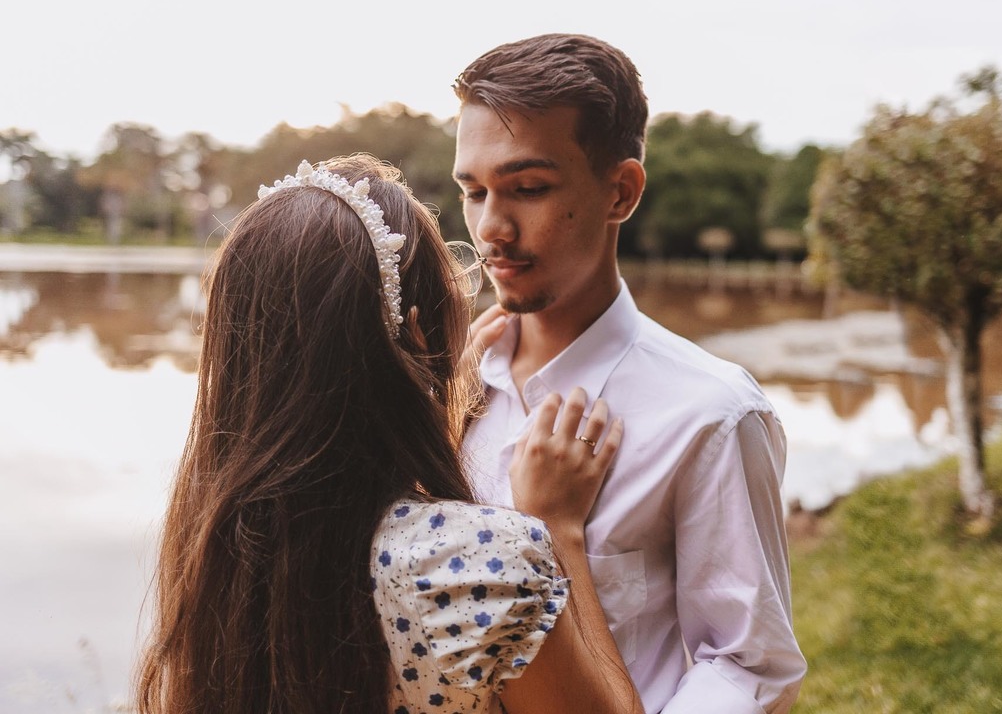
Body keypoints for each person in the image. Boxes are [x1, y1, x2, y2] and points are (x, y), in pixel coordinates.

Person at [136, 154, 644, 714]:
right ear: (421, 338)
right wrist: (556, 527)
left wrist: (429, 398)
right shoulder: (481, 562)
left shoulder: (218, 539)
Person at [452, 34, 807, 714]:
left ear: (620, 191)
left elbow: (747, 667)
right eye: (473, 191)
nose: (490, 228)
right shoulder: (450, 387)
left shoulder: (712, 414)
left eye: (526, 188)